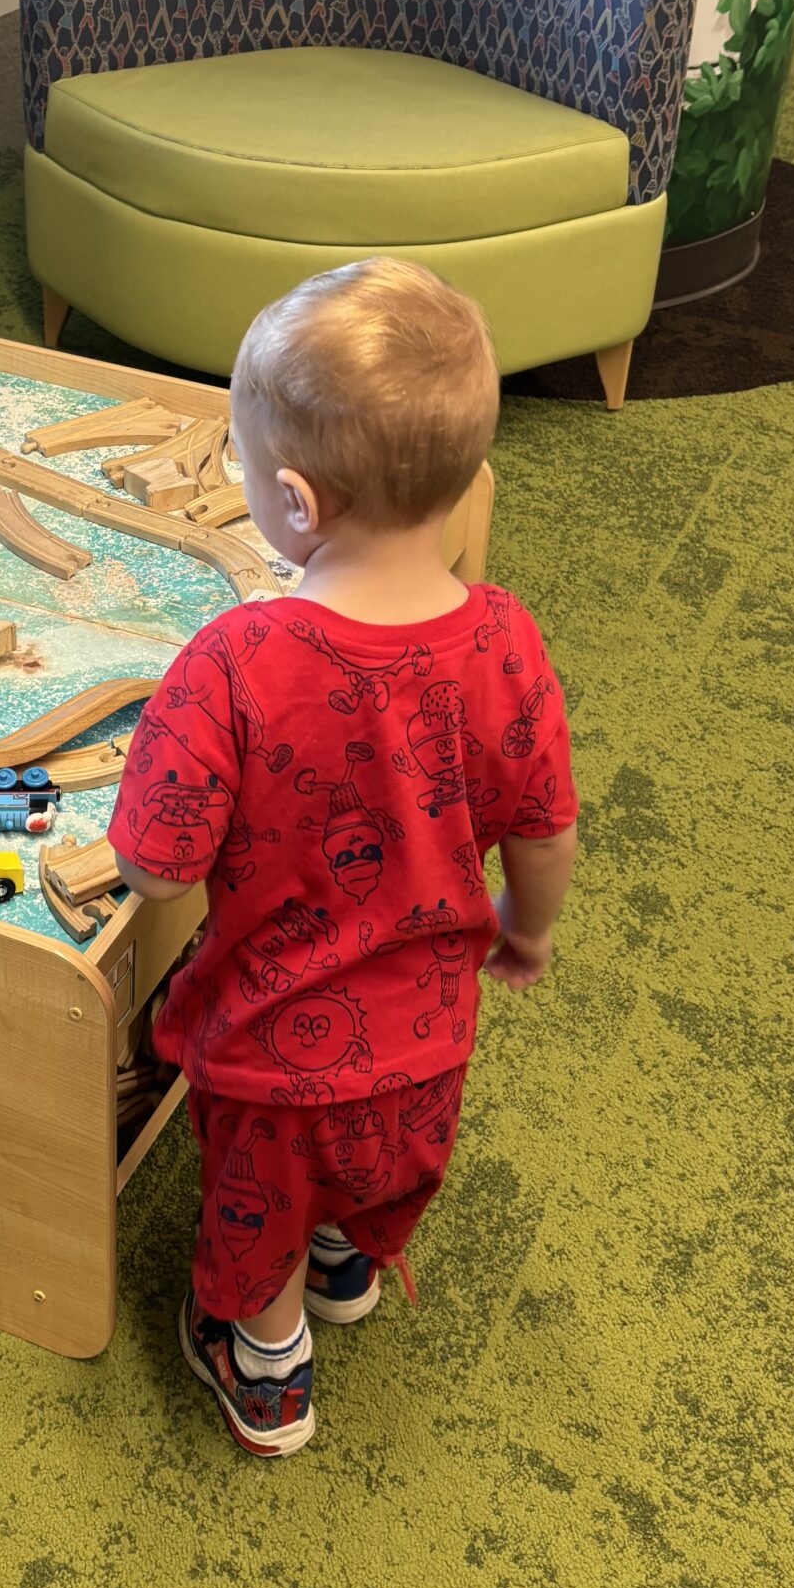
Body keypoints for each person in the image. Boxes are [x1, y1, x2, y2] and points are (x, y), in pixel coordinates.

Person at [108, 259, 579, 1456]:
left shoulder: (232, 658)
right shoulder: (506, 638)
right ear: (465, 477)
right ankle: (347, 1262)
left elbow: (159, 870)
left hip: (272, 1059)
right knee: (375, 1175)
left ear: (297, 506)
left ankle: (267, 1362)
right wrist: (527, 930)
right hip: (428, 1037)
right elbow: (545, 825)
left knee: (252, 1221)